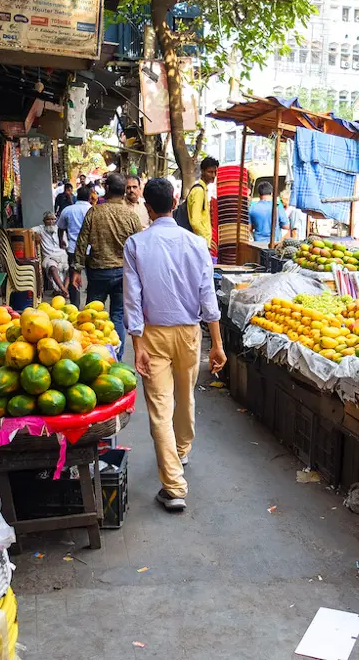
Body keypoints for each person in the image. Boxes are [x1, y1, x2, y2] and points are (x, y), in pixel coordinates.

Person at [123, 177, 225, 512]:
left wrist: (136, 344)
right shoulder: (196, 244)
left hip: (152, 335)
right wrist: (218, 343)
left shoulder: (136, 245)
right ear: (175, 201)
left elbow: (132, 300)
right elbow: (208, 296)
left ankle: (174, 485)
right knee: (186, 396)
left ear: (147, 207)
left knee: (160, 408)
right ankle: (180, 451)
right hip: (190, 332)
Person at [74, 173, 143, 359]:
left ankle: (92, 357)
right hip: (123, 274)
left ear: (106, 189)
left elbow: (81, 243)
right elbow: (139, 247)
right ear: (123, 192)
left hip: (97, 273)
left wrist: (76, 270)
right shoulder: (131, 216)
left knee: (91, 317)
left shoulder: (94, 212)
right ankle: (116, 359)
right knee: (117, 317)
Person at [59, 186, 93, 305]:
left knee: (73, 277)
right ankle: (91, 306)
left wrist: (61, 241)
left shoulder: (68, 210)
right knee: (92, 278)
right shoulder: (93, 210)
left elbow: (60, 228)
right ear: (89, 197)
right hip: (90, 250)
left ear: (76, 196)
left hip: (73, 249)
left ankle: (75, 306)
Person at [33, 211, 69, 296]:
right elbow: (28, 231)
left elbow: (65, 245)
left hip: (62, 255)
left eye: (53, 219)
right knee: (52, 268)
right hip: (49, 257)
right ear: (44, 221)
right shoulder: (40, 229)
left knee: (70, 269)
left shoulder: (59, 230)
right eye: (48, 219)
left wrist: (63, 243)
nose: (51, 222)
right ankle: (64, 290)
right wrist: (35, 235)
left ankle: (64, 289)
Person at [187, 157, 219, 248]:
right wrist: (205, 237)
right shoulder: (199, 191)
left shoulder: (203, 190)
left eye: (215, 172)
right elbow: (195, 222)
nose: (213, 175)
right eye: (210, 172)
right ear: (202, 171)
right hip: (199, 243)